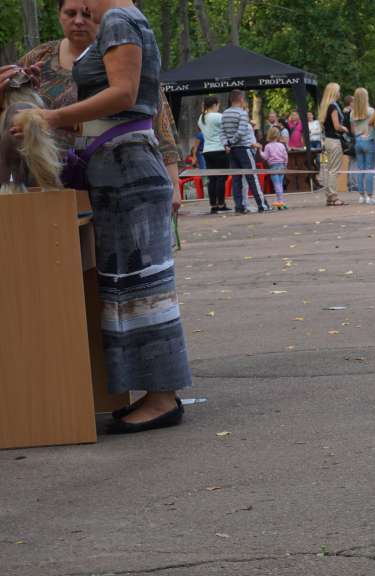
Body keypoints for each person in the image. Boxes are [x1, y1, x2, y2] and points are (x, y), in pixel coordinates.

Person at [19, 0, 191, 432]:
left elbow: (124, 94)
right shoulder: (122, 21)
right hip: (117, 168)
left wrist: (51, 116)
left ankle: (163, 398)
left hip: (128, 168)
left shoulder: (118, 20)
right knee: (127, 287)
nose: (81, 11)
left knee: (144, 286)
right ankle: (153, 394)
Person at [9, 0, 182, 209]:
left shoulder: (124, 50)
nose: (79, 21)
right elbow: (12, 113)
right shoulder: (38, 58)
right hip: (48, 187)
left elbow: (156, 116)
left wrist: (173, 181)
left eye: (85, 13)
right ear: (59, 15)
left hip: (117, 176)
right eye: (70, 14)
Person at [221, 89, 269, 212]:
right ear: (241, 99)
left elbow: (221, 132)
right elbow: (241, 131)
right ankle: (262, 205)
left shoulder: (225, 113)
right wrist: (232, 141)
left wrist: (226, 144)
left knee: (236, 179)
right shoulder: (242, 113)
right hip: (243, 148)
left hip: (231, 150)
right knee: (252, 177)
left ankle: (239, 206)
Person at [317, 82, 347, 206]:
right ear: (335, 92)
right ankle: (334, 196)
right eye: (338, 91)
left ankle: (329, 196)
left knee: (328, 169)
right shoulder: (333, 107)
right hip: (334, 140)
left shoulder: (325, 106)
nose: (340, 93)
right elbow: (336, 126)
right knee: (334, 170)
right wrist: (344, 128)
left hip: (327, 141)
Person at [198, 96, 229, 213]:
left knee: (212, 179)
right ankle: (221, 204)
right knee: (221, 178)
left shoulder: (201, 118)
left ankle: (213, 205)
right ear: (215, 104)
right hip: (220, 149)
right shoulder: (218, 116)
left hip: (207, 151)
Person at [349, 87, 375, 204]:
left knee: (360, 169)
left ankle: (361, 195)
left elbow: (352, 130)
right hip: (369, 140)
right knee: (370, 169)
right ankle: (370, 196)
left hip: (357, 141)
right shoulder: (370, 111)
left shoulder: (352, 112)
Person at [261, 127, 289, 209]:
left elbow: (265, 157)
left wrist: (259, 151)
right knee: (280, 184)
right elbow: (285, 156)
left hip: (273, 166)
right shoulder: (281, 145)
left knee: (276, 185)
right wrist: (285, 165)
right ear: (278, 135)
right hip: (281, 166)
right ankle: (280, 200)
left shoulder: (267, 146)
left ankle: (280, 201)